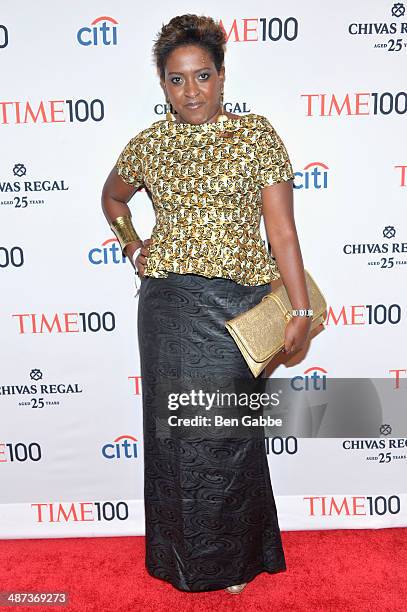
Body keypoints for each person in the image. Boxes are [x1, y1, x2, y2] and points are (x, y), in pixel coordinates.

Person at [101, 14, 312, 595]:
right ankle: (179, 560)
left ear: (222, 77)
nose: (190, 92)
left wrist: (300, 310)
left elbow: (284, 234)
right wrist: (133, 244)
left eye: (202, 77)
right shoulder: (149, 143)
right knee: (175, 438)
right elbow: (112, 196)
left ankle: (233, 561)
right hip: (168, 305)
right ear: (162, 84)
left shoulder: (256, 136)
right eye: (176, 80)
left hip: (238, 309)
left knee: (226, 435)